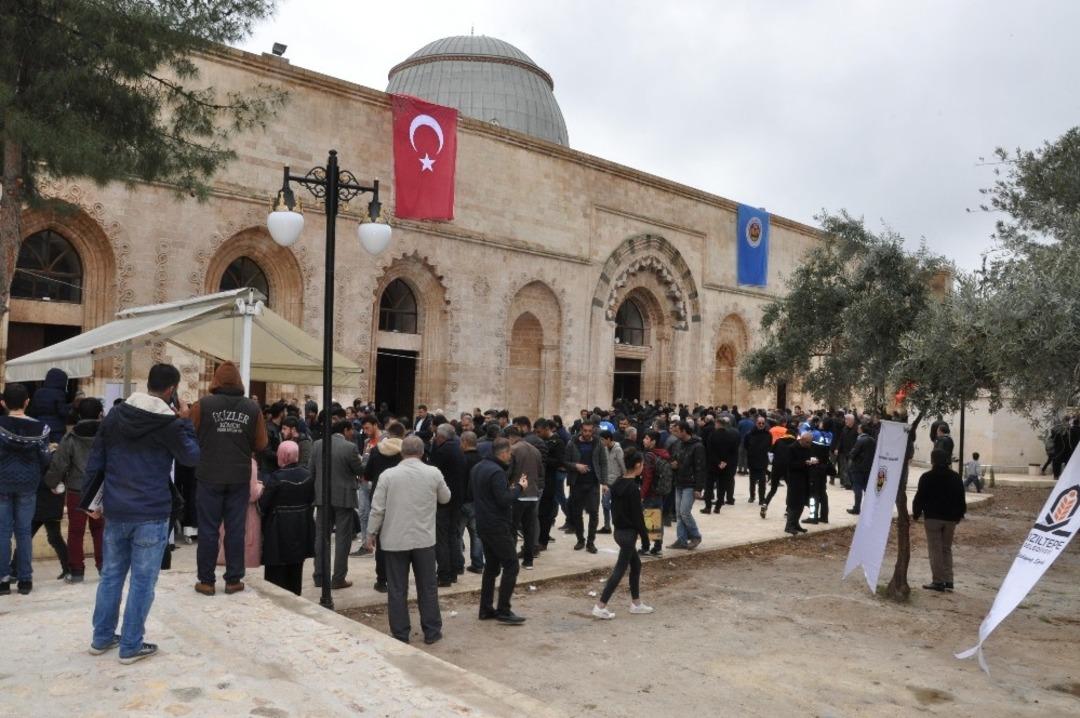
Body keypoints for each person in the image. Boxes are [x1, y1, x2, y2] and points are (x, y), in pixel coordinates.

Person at [86, 363, 200, 663]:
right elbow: (191, 457)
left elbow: (96, 458)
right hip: (151, 510)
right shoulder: (170, 424)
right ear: (172, 390)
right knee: (142, 581)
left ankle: (101, 637)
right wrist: (186, 422)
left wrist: (91, 503)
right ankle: (131, 644)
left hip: (117, 507)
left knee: (111, 575)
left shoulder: (115, 415)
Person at [190, 362, 268, 596]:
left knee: (208, 529)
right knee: (235, 529)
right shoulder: (252, 408)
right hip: (238, 477)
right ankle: (233, 580)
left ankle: (206, 581)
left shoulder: (202, 405)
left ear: (216, 380)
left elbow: (189, 434)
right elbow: (261, 443)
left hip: (209, 475)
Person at [366, 435, 450, 644]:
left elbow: (377, 509)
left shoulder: (388, 475)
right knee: (428, 587)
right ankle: (432, 631)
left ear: (401, 452)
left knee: (396, 588)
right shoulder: (433, 472)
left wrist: (371, 533)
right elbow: (445, 497)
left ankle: (400, 633)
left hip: (394, 540)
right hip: (424, 539)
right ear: (422, 452)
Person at [0, 383, 53, 595]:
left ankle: (3, 580)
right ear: (27, 402)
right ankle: (25, 580)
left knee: (2, 532)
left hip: (2, 483)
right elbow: (45, 458)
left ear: (3, 403)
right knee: (23, 532)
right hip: (28, 484)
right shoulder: (41, 428)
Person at [44, 397, 104, 583]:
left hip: (77, 490)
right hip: (101, 489)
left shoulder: (70, 437)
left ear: (78, 415)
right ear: (100, 414)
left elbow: (59, 463)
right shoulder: (107, 435)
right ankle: (105, 568)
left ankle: (77, 571)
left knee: (76, 531)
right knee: (100, 530)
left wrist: (52, 482)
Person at [471, 437, 528, 624]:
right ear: (503, 453)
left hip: (483, 522)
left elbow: (487, 494)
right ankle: (504, 610)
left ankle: (486, 608)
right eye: (509, 453)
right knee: (511, 564)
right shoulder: (496, 471)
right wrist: (519, 487)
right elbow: (504, 500)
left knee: (492, 567)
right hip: (496, 525)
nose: (510, 456)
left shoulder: (478, 467)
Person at [593, 448, 654, 619]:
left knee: (636, 565)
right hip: (628, 534)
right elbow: (638, 517)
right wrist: (645, 539)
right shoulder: (633, 488)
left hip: (619, 532)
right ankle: (600, 605)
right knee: (619, 570)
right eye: (642, 464)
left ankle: (636, 603)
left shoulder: (618, 483)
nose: (643, 467)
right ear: (637, 465)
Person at [310, 419, 365, 590]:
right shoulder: (350, 447)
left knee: (321, 537)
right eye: (351, 430)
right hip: (343, 497)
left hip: (322, 497)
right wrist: (365, 459)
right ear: (346, 430)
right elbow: (359, 470)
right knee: (343, 539)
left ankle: (319, 576)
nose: (352, 433)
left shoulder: (317, 445)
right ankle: (338, 578)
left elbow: (311, 471)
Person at [259, 440, 315, 596]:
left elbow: (264, 505)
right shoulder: (307, 475)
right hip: (301, 527)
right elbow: (311, 499)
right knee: (296, 569)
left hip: (277, 530)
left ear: (282, 455)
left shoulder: (276, 478)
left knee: (275, 575)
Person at [912, 448, 967, 592]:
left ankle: (938, 581)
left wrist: (916, 514)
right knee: (946, 549)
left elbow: (920, 497)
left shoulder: (927, 477)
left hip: (933, 518)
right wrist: (959, 515)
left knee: (935, 549)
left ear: (933, 461)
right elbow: (961, 498)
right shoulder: (956, 477)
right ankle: (949, 580)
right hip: (951, 519)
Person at [365, 421, 404, 592]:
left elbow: (367, 474)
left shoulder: (376, 450)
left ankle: (381, 580)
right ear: (403, 435)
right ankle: (397, 578)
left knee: (381, 540)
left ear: (388, 434)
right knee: (400, 538)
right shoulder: (406, 451)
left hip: (379, 495)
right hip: (400, 498)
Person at [431, 423, 467, 585]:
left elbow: (433, 472)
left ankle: (444, 574)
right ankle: (454, 570)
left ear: (441, 437)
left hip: (444, 500)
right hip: (457, 499)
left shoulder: (443, 451)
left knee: (442, 538)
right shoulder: (458, 449)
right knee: (453, 535)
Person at [564, 419, 607, 554]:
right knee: (577, 513)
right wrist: (576, 466)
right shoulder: (572, 443)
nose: (587, 433)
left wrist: (605, 483)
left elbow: (603, 463)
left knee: (594, 512)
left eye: (590, 431)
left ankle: (590, 542)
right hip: (577, 483)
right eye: (585, 431)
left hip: (593, 483)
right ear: (581, 430)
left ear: (593, 430)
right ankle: (580, 539)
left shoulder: (598, 443)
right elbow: (565, 462)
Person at [507, 425, 543, 569]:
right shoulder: (535, 450)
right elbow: (540, 472)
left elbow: (509, 472)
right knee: (529, 530)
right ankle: (528, 561)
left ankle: (510, 561)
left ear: (510, 438)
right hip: (533, 495)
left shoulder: (513, 450)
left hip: (518, 494)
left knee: (512, 529)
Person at [669, 421, 705, 550]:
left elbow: (700, 468)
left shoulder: (697, 446)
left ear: (684, 431)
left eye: (677, 431)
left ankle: (696, 536)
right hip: (679, 482)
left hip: (690, 484)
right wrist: (674, 465)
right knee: (679, 514)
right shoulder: (678, 444)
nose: (674, 433)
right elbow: (674, 459)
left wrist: (698, 488)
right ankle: (681, 539)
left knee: (684, 512)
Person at [640, 431, 672, 555]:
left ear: (653, 442)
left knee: (648, 520)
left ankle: (646, 547)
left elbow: (647, 477)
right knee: (656, 519)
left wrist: (642, 494)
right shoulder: (663, 453)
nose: (644, 440)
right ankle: (657, 547)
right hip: (659, 492)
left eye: (646, 438)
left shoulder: (649, 456)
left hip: (650, 493)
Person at [459, 430, 485, 574]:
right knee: (476, 535)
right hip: (478, 502)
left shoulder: (460, 459)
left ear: (464, 442)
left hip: (462, 502)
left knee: (458, 534)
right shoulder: (482, 459)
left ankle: (459, 565)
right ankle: (478, 564)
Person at [704, 416, 739, 512]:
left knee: (709, 486)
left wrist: (718, 462)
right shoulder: (731, 436)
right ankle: (718, 507)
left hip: (713, 464)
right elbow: (733, 451)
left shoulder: (712, 435)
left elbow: (710, 451)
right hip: (725, 465)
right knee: (722, 486)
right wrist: (725, 462)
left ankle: (708, 507)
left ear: (718, 424)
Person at [761, 423, 796, 519]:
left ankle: (765, 504)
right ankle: (788, 510)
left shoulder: (779, 441)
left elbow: (771, 453)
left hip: (776, 467)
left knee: (773, 489)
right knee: (790, 489)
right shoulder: (795, 443)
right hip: (788, 468)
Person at [784, 432, 815, 535]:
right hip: (794, 479)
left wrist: (812, 462)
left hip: (805, 478)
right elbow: (790, 464)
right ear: (802, 440)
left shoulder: (807, 448)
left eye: (810, 442)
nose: (809, 444)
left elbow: (808, 459)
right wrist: (804, 463)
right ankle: (789, 525)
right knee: (794, 503)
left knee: (802, 502)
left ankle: (796, 523)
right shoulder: (791, 448)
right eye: (807, 442)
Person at [27, 367, 70, 440]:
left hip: (40, 427)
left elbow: (33, 411)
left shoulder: (38, 392)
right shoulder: (59, 393)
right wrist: (71, 406)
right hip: (56, 429)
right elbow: (62, 412)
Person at [846, 421, 876, 515]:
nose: (857, 429)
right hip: (868, 467)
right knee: (867, 488)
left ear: (861, 430)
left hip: (858, 467)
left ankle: (857, 508)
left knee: (857, 488)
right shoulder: (873, 440)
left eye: (859, 428)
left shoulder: (860, 440)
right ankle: (868, 508)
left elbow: (853, 453)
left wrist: (850, 456)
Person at [598, 429, 624, 534]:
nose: (601, 442)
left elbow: (622, 466)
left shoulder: (618, 449)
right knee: (605, 503)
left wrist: (624, 479)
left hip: (617, 481)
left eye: (602, 440)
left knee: (616, 504)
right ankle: (607, 526)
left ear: (608, 439)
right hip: (606, 482)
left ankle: (618, 525)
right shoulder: (603, 449)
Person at [744, 415, 771, 505]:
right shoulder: (749, 434)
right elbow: (746, 445)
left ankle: (762, 498)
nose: (761, 425)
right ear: (756, 423)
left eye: (763, 423)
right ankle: (752, 496)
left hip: (763, 460)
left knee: (762, 481)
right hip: (752, 459)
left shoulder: (768, 434)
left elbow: (769, 445)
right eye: (759, 423)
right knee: (752, 480)